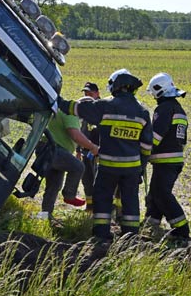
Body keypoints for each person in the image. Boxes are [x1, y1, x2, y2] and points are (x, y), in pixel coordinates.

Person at [59, 69, 153, 240]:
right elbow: (146, 147)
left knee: (102, 199)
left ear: (115, 87)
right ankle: (130, 238)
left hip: (108, 167)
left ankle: (102, 237)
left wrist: (54, 99)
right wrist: (140, 168)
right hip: (131, 169)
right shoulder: (143, 112)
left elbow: (76, 108)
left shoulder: (106, 106)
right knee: (130, 202)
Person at [144, 72, 190, 240]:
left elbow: (155, 136)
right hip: (174, 160)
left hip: (165, 160)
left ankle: (181, 228)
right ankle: (151, 223)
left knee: (162, 194)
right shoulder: (178, 109)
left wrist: (144, 151)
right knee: (155, 193)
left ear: (158, 90)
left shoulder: (163, 109)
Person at [40, 109, 99, 221]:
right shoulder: (71, 114)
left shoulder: (64, 111)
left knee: (54, 185)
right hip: (54, 149)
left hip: (48, 149)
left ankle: (45, 215)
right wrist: (93, 147)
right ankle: (69, 195)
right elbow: (75, 135)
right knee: (78, 167)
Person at [77, 82, 101, 212]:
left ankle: (100, 208)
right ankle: (90, 206)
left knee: (98, 180)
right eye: (85, 94)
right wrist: (78, 150)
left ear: (97, 93)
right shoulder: (85, 109)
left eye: (90, 93)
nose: (87, 96)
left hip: (98, 151)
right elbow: (80, 131)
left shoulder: (102, 108)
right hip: (85, 150)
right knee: (86, 179)